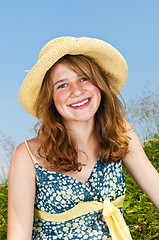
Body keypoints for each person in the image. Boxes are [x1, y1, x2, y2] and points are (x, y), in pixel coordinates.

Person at [7, 36, 159, 240]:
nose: (77, 91)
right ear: (50, 98)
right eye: (62, 85)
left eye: (83, 78)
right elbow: (18, 236)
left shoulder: (122, 133)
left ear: (100, 84)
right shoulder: (27, 156)